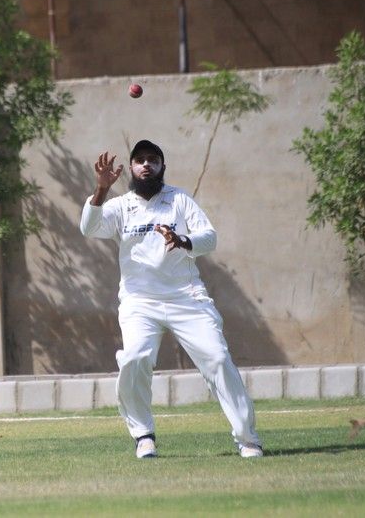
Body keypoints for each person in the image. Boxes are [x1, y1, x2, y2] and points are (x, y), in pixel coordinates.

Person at [79, 139, 263, 459]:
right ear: (131, 168)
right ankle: (143, 435)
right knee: (134, 358)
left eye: (153, 160)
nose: (146, 165)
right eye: (140, 160)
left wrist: (184, 240)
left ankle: (248, 439)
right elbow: (89, 228)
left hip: (186, 298)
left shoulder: (179, 199)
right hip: (140, 302)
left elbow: (209, 237)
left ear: (163, 166)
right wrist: (101, 189)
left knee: (217, 358)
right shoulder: (120, 205)